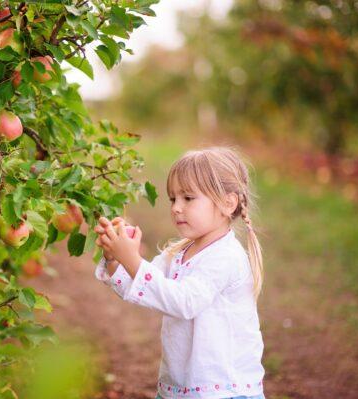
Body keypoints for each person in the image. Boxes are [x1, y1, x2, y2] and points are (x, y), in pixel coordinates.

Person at [93, 146, 265, 399]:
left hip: (224, 390)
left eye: (188, 198)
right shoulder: (179, 253)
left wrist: (132, 259)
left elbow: (184, 302)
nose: (176, 207)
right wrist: (115, 258)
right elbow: (144, 286)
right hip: (181, 386)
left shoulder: (225, 256)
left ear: (228, 203)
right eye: (173, 199)